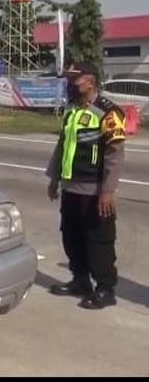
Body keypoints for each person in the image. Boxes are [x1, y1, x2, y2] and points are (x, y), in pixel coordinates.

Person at [46, 62, 127, 310]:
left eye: (75, 79)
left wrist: (107, 191)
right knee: (72, 238)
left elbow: (115, 154)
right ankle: (80, 281)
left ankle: (105, 289)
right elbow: (62, 146)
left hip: (94, 191)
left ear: (90, 82)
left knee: (99, 242)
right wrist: (54, 177)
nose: (71, 84)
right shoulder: (71, 110)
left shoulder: (109, 113)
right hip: (71, 189)